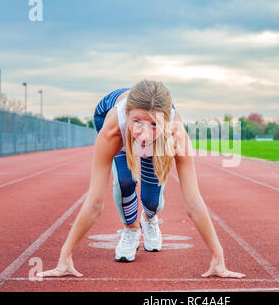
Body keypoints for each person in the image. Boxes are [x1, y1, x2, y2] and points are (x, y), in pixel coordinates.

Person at [37, 80, 245, 279]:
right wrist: (64, 256)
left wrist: (218, 257)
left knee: (151, 200)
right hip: (109, 115)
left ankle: (150, 219)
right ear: (127, 116)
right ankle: (131, 229)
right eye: (138, 122)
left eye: (154, 124)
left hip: (151, 123)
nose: (144, 135)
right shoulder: (112, 130)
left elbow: (193, 202)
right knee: (124, 182)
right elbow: (94, 203)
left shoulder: (176, 132)